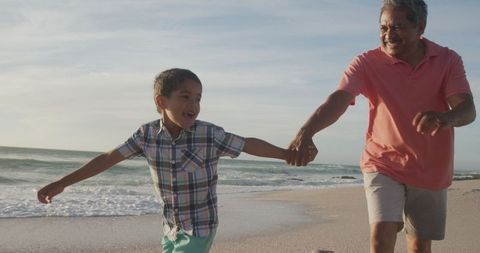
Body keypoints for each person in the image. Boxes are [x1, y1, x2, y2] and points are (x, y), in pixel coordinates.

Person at [286, 0, 476, 252]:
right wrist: (306, 131)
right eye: (384, 27)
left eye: (397, 27)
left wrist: (445, 118)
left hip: (431, 167)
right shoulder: (366, 63)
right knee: (381, 234)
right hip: (382, 161)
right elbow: (339, 99)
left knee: (419, 245)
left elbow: (467, 110)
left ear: (420, 26)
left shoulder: (448, 60)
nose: (389, 35)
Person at [37, 68, 292, 253]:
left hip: (200, 226)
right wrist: (63, 182)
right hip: (171, 226)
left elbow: (247, 144)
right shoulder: (146, 135)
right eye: (185, 96)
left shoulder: (208, 134)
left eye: (198, 98)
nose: (194, 104)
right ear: (162, 101)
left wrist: (286, 154)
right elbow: (108, 158)